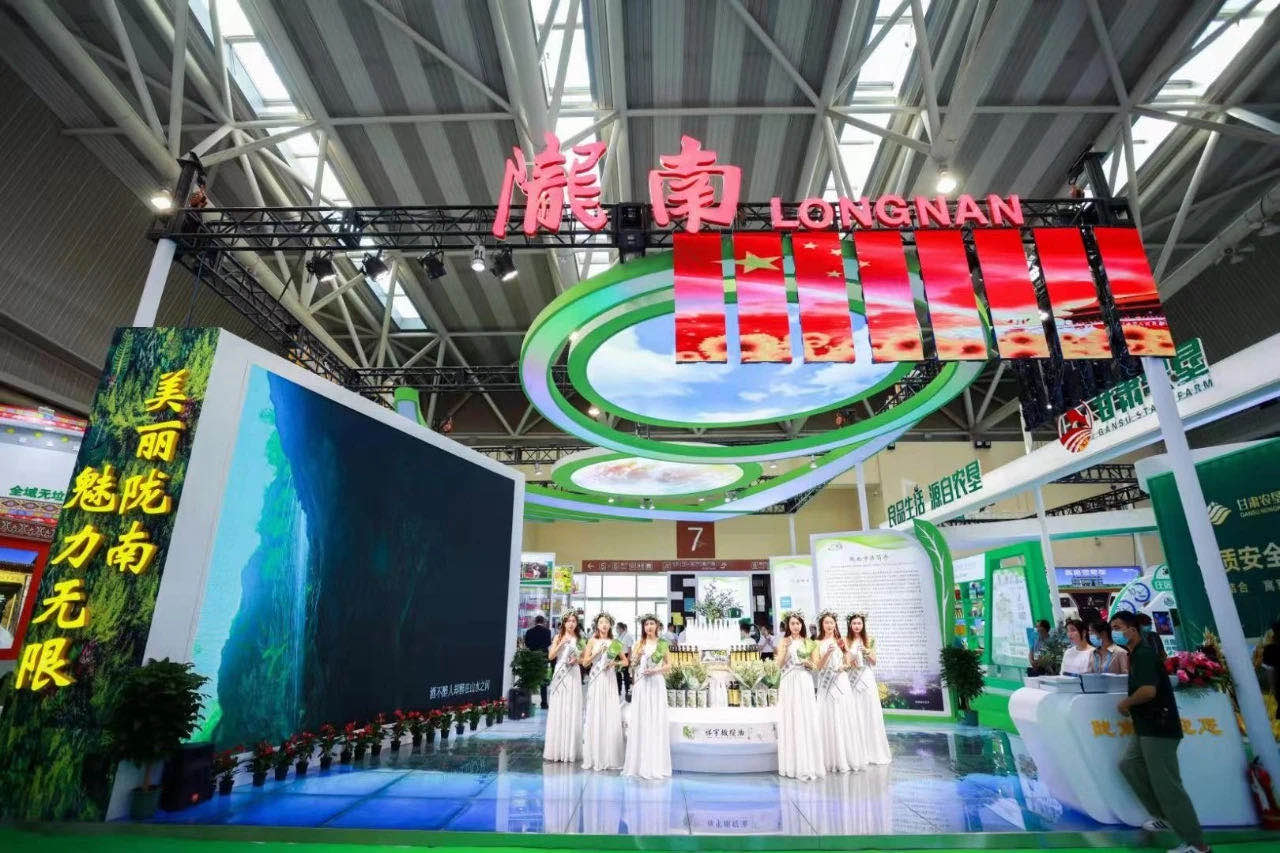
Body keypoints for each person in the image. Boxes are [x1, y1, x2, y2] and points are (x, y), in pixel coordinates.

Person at [1111, 611, 1208, 853]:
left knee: (1167, 785)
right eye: (1113, 627)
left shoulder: (1144, 654)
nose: (1115, 632)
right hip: (1145, 726)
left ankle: (1197, 844)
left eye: (1118, 627)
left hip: (1159, 727)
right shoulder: (1134, 655)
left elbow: (1148, 691)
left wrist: (1125, 704)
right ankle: (1163, 816)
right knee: (1129, 764)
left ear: (1133, 629)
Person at [814, 610, 866, 772]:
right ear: (822, 625)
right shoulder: (817, 643)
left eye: (831, 622)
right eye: (826, 622)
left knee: (843, 716)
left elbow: (848, 661)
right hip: (826, 683)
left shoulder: (841, 640)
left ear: (835, 624)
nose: (829, 625)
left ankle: (846, 757)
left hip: (841, 681)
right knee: (828, 715)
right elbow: (817, 666)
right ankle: (829, 758)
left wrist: (843, 666)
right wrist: (827, 653)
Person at [776, 611, 825, 781]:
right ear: (788, 626)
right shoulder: (784, 641)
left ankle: (808, 763)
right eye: (792, 623)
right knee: (791, 716)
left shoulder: (810, 643)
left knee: (805, 716)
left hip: (804, 680)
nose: (795, 626)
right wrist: (786, 649)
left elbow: (816, 666)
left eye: (798, 623)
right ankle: (792, 764)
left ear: (802, 625)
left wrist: (808, 663)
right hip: (788, 681)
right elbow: (779, 664)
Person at [623, 613, 671, 779]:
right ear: (643, 627)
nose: (649, 627)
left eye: (651, 623)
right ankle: (640, 764)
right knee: (642, 720)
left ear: (657, 626)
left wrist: (656, 670)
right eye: (646, 624)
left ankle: (655, 763)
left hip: (656, 683)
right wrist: (638, 655)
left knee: (655, 720)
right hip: (642, 684)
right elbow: (631, 666)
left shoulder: (662, 644)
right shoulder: (639, 643)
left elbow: (669, 666)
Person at [581, 612, 626, 771]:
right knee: (595, 712)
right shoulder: (592, 641)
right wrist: (597, 652)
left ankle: (609, 755)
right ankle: (595, 755)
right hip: (596, 679)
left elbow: (625, 661)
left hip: (609, 680)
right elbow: (585, 663)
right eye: (601, 622)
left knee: (609, 712)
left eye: (607, 622)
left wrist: (614, 664)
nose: (604, 625)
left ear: (610, 625)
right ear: (597, 625)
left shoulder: (615, 642)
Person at [845, 613, 891, 765]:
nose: (857, 626)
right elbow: (846, 661)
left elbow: (874, 661)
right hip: (852, 679)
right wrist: (851, 658)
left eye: (859, 623)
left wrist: (866, 651)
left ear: (863, 625)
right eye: (854, 623)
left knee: (869, 711)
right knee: (855, 712)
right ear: (850, 625)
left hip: (867, 678)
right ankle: (858, 752)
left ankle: (873, 751)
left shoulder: (869, 640)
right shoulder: (846, 640)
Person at [543, 610, 584, 763]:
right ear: (564, 623)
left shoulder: (580, 639)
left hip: (574, 674)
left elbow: (585, 660)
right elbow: (550, 656)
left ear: (577, 623)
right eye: (568, 621)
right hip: (560, 673)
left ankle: (570, 750)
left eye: (574, 621)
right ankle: (557, 749)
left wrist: (577, 660)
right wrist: (561, 644)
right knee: (559, 707)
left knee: (572, 707)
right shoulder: (557, 637)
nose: (571, 624)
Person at [524, 614, 552, 709]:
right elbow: (548, 643)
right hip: (543, 658)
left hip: (532, 658)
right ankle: (544, 703)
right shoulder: (547, 631)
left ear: (535, 622)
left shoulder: (529, 631)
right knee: (543, 681)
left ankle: (527, 702)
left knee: (530, 680)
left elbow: (526, 644)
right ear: (543, 622)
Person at [615, 621, 634, 701]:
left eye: (617, 628)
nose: (616, 629)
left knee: (626, 674)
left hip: (625, 656)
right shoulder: (618, 636)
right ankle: (619, 690)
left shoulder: (627, 636)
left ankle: (627, 691)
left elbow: (630, 649)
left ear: (621, 628)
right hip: (618, 656)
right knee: (618, 674)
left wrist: (628, 659)